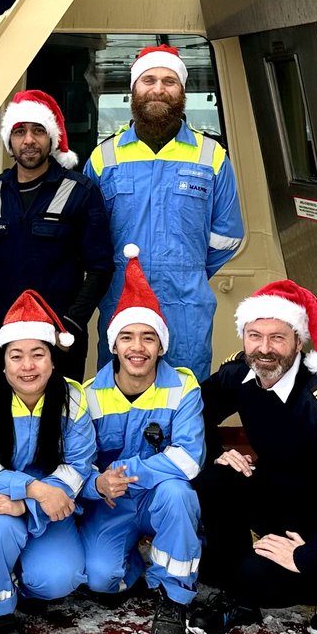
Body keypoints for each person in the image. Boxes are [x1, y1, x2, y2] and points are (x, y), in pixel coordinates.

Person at [190, 281, 317, 634]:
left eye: (277, 338)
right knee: (210, 487)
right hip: (276, 492)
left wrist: (310, 555)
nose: (264, 349)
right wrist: (218, 451)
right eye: (254, 336)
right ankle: (241, 601)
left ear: (299, 342)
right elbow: (195, 410)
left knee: (256, 577)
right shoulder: (242, 375)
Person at [85, 44, 244, 382]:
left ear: (182, 92)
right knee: (116, 390)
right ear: (133, 90)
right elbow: (86, 236)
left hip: (185, 305)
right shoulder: (103, 158)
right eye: (149, 80)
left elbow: (228, 235)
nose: (158, 89)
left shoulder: (211, 156)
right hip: (120, 299)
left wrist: (189, 271)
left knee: (184, 389)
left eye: (169, 81)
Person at [78, 245, 205, 634]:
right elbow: (76, 463)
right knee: (102, 579)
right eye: (127, 337)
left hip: (157, 497)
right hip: (111, 504)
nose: (138, 348)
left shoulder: (183, 387)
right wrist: (99, 484)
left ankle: (173, 597)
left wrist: (128, 472)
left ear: (161, 345)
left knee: (178, 493)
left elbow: (187, 459)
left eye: (148, 338)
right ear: (113, 345)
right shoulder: (87, 396)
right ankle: (134, 564)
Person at [0, 290, 95, 634]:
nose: (28, 366)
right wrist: (32, 490)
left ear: (53, 359)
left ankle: (21, 573)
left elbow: (78, 465)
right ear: (3, 361)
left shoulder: (73, 397)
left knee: (57, 580)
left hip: (50, 507)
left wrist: (29, 503)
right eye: (16, 356)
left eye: (38, 354)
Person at [0, 90, 113, 379]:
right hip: (2, 333)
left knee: (60, 415)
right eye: (20, 131)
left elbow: (100, 268)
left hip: (59, 335)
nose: (29, 140)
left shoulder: (80, 191)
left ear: (51, 138)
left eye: (38, 131)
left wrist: (73, 322)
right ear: (9, 141)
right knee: (4, 415)